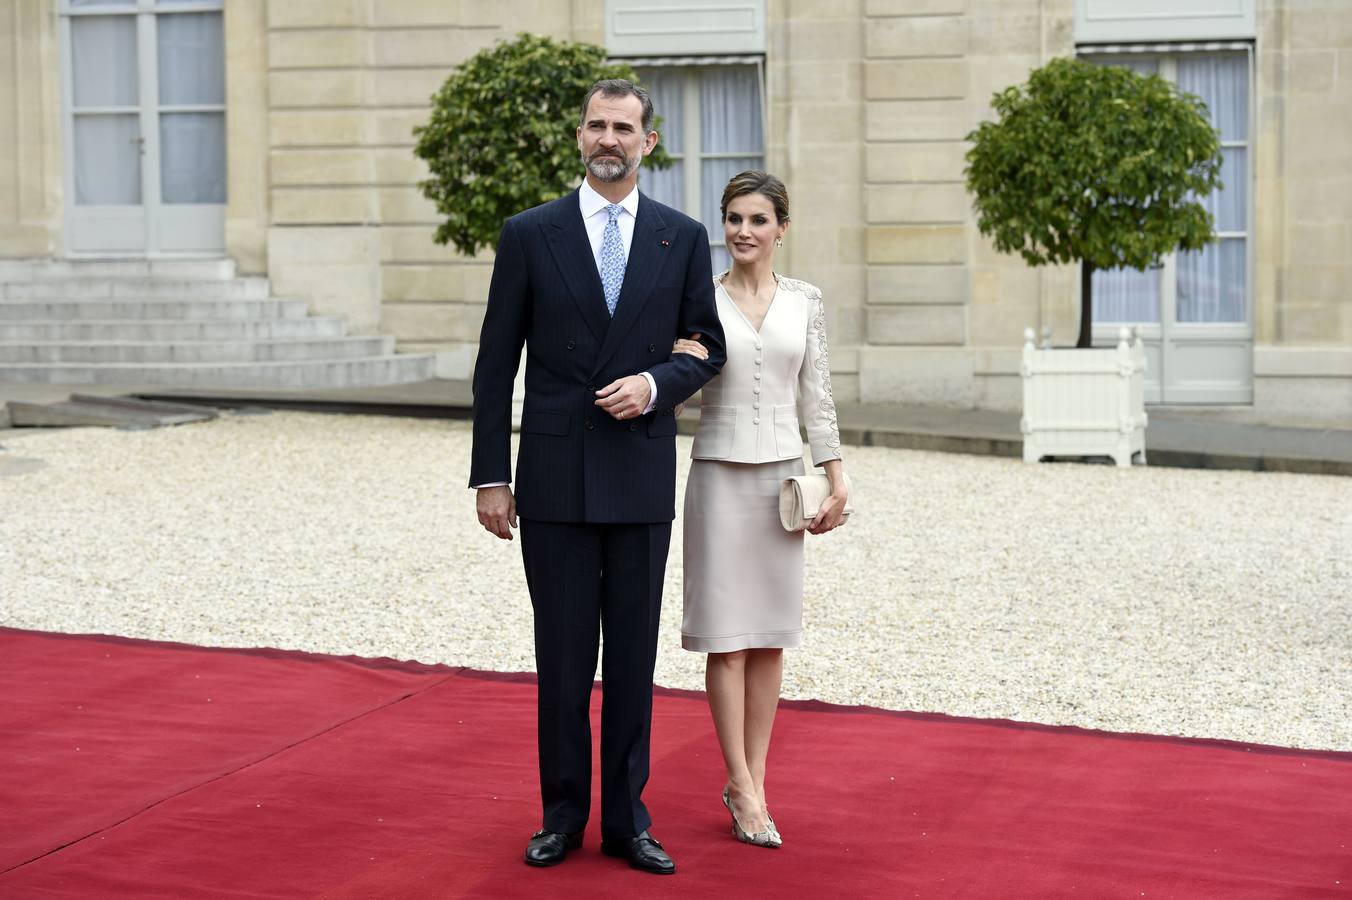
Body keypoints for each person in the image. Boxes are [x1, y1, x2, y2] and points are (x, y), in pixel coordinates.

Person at [469, 79, 726, 876]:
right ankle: (561, 815)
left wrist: (655, 385)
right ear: (579, 138)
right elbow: (494, 365)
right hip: (552, 475)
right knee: (564, 660)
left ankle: (627, 821)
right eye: (596, 125)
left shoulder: (679, 238)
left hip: (640, 471)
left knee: (634, 665)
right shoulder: (529, 233)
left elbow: (706, 344)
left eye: (624, 127)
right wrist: (490, 476)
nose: (608, 138)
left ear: (649, 142)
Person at [672, 170, 847, 849]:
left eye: (757, 220)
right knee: (726, 635)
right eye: (734, 219)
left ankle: (757, 781)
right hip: (715, 475)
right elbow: (676, 384)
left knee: (770, 634)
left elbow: (818, 396)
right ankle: (739, 783)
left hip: (781, 478)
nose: (743, 231)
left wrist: (836, 475)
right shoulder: (698, 300)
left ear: (781, 229)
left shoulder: (806, 302)